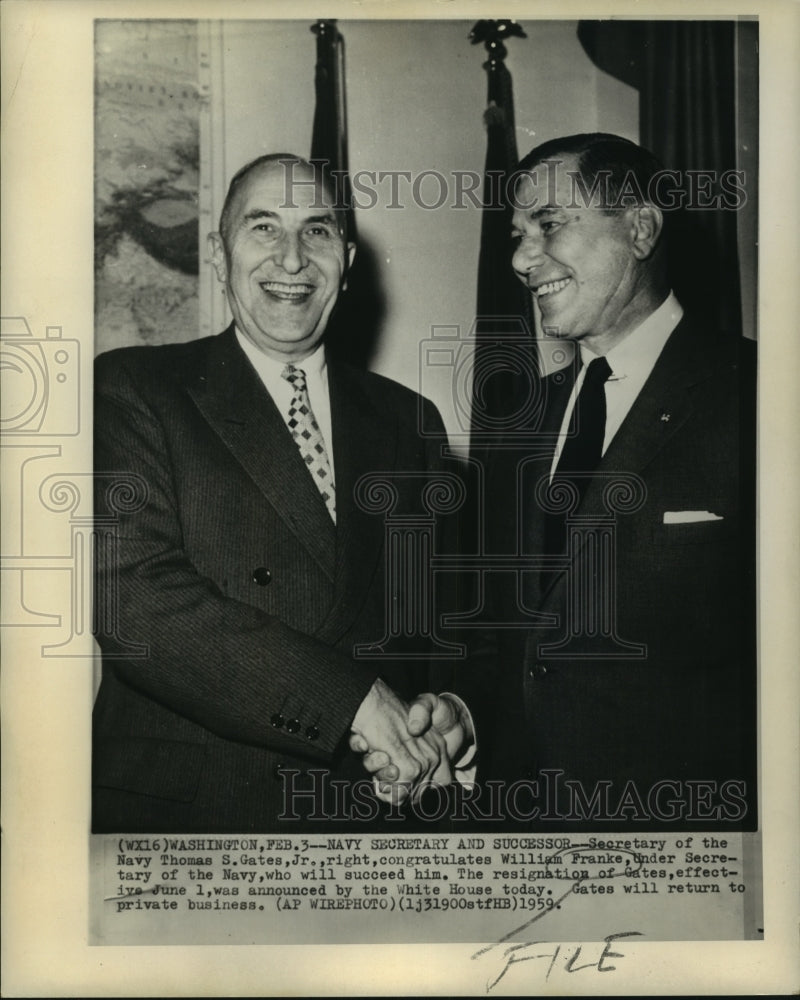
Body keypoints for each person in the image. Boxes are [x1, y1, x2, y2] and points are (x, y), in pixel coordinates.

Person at [363, 133, 757, 830]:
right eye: (517, 236)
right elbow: (504, 639)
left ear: (639, 228)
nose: (519, 259)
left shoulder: (761, 396)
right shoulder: (518, 426)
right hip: (524, 839)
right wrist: (465, 717)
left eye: (548, 226)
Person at [92, 153, 462, 833]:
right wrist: (352, 703)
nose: (292, 259)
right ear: (218, 251)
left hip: (371, 817)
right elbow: (136, 606)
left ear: (346, 261)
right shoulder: (134, 389)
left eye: (317, 231)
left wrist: (448, 713)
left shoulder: (411, 422)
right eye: (263, 228)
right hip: (196, 822)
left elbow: (445, 622)